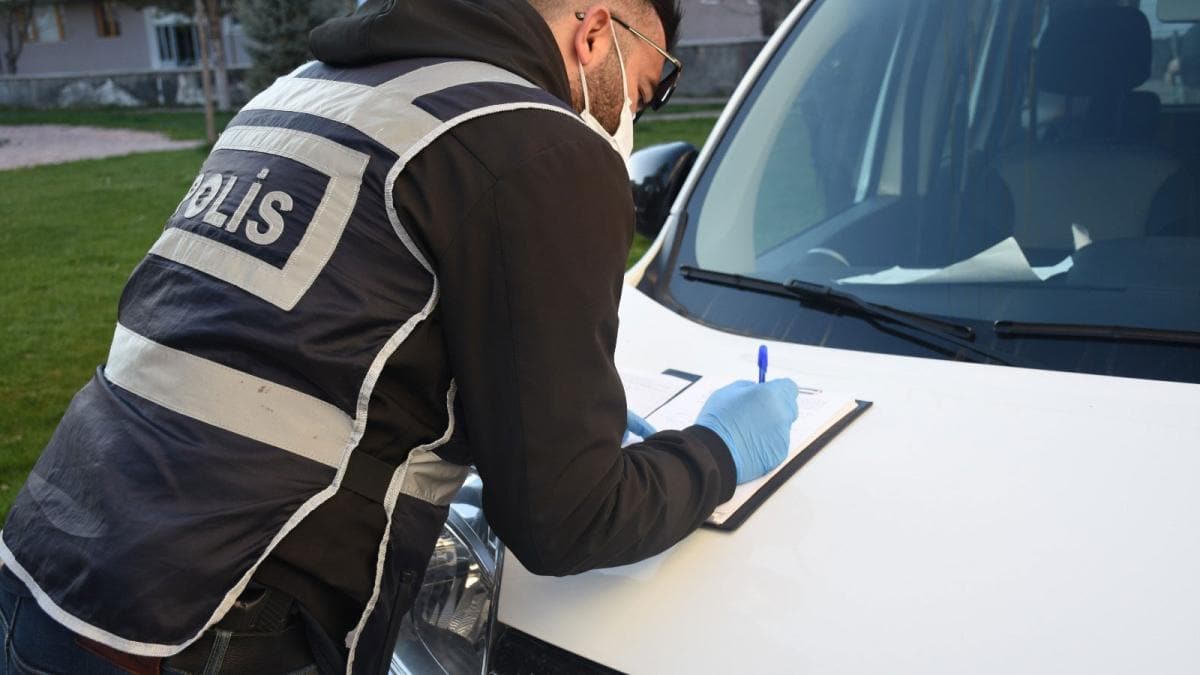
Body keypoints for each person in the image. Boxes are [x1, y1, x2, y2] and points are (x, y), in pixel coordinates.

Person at [0, 0, 800, 672]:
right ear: (597, 34)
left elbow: (310, 336)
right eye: (646, 92)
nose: (633, 115)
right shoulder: (540, 141)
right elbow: (568, 518)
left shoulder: (301, 93)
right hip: (207, 626)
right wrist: (720, 449)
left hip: (45, 563)